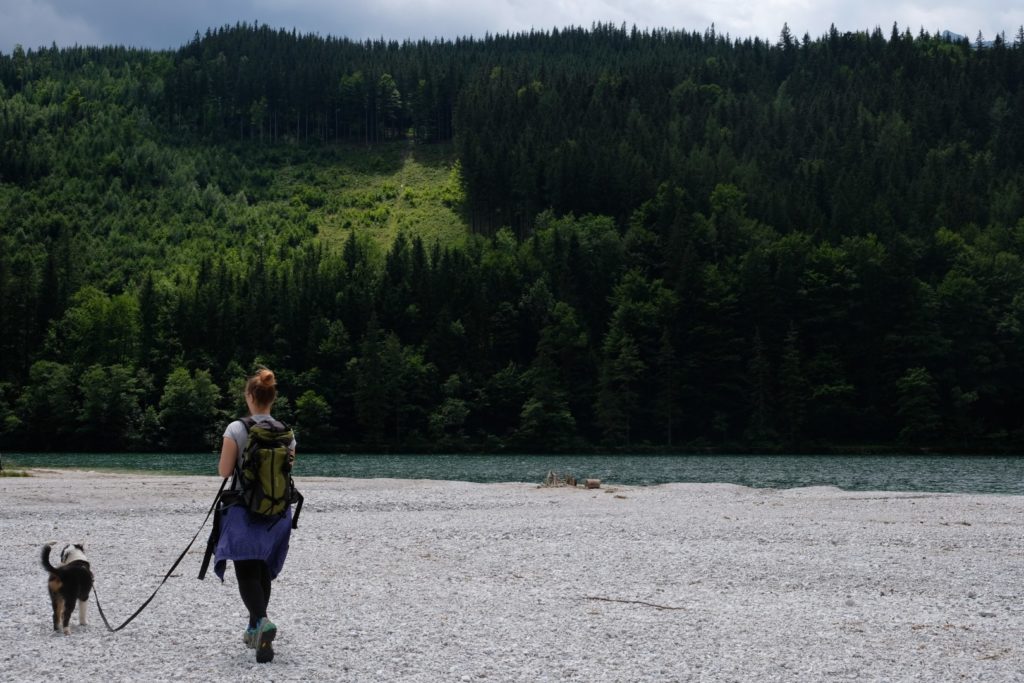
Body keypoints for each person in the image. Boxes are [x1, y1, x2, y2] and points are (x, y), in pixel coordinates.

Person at [214, 367, 296, 664]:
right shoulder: (286, 431)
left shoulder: (236, 428)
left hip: (244, 508)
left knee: (245, 568)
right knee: (261, 567)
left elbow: (225, 471)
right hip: (277, 510)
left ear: (250, 396)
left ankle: (261, 621)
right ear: (272, 398)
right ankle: (255, 630)